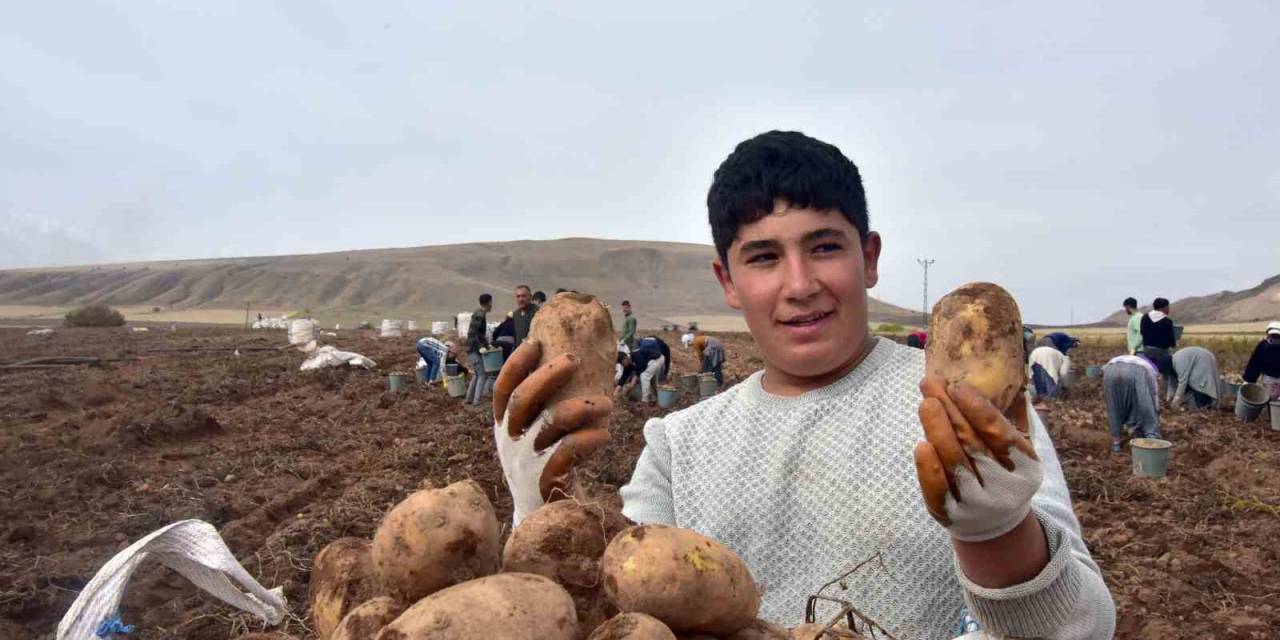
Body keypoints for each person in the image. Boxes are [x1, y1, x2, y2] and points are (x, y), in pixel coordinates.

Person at [489, 130, 1113, 637]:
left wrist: (998, 534)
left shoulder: (965, 419)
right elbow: (611, 609)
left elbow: (1083, 626)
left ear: (868, 258)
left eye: (824, 247)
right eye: (763, 257)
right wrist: (536, 500)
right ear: (727, 282)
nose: (799, 284)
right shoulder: (680, 443)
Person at [1102, 352, 1161, 453]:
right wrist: (1156, 411)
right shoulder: (1152, 370)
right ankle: (1151, 437)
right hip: (1136, 371)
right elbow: (1151, 397)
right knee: (1145, 403)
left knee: (1114, 407)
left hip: (1110, 370)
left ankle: (1116, 442)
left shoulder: (1139, 361)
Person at [1139, 298, 1177, 393]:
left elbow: (1142, 332)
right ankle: (1164, 395)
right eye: (1167, 307)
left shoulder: (1145, 317)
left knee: (1149, 373)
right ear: (1162, 308)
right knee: (1166, 375)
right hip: (1161, 352)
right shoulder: (1167, 321)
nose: (1169, 309)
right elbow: (1171, 341)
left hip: (1147, 350)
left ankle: (1149, 392)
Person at [465, 293, 493, 405]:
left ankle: (469, 399)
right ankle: (476, 401)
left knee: (477, 374)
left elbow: (480, 335)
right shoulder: (479, 315)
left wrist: (487, 345)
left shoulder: (479, 313)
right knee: (482, 374)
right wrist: (481, 347)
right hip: (473, 349)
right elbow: (473, 333)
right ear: (489, 302)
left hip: (473, 348)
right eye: (491, 302)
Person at [1243, 321, 1280, 400]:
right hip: (1269, 379)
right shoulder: (1263, 347)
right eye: (1273, 336)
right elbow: (1254, 364)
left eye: (1277, 336)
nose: (1275, 338)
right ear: (1268, 335)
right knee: (1270, 400)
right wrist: (1248, 380)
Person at [630, 335, 670, 403]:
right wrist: (665, 371)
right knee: (653, 379)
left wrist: (635, 378)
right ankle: (655, 398)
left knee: (644, 376)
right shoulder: (650, 344)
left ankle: (645, 400)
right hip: (658, 359)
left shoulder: (637, 351)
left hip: (656, 359)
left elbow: (642, 366)